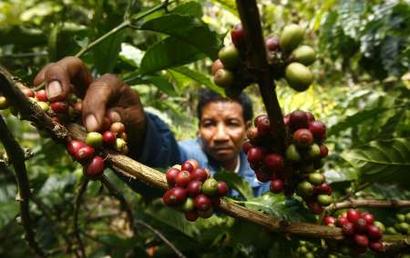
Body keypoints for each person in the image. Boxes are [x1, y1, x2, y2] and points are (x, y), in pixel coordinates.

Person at [33, 56, 270, 197]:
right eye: (209, 124)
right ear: (198, 128)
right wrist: (136, 136)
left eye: (231, 124)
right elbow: (164, 160)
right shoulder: (191, 158)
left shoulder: (264, 166)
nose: (219, 136)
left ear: (248, 128)